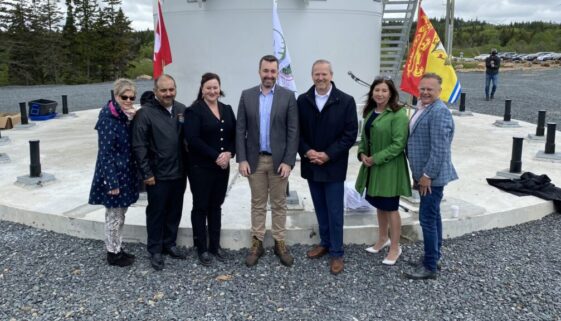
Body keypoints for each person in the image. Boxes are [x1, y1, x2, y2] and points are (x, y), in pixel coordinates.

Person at [236, 54, 299, 267]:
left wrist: (289, 161)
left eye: (273, 71)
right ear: (259, 71)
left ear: (277, 73)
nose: (269, 75)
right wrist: (242, 159)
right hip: (254, 161)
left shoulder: (288, 97)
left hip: (279, 162)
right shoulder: (246, 96)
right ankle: (258, 243)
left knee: (279, 203)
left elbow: (293, 131)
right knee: (258, 204)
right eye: (266, 71)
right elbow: (240, 129)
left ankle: (280, 242)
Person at [298, 59, 358, 275]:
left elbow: (350, 134)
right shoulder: (303, 100)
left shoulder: (346, 101)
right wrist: (307, 151)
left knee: (334, 211)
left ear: (331, 75)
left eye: (324, 74)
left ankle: (337, 252)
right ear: (312, 76)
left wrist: (328, 154)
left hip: (333, 166)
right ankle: (324, 243)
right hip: (312, 164)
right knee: (320, 207)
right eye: (316, 74)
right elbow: (297, 132)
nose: (320, 78)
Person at [404, 73, 458, 280]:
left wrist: (426, 175)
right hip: (423, 173)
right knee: (433, 216)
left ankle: (429, 267)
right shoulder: (423, 107)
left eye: (430, 89)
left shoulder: (439, 112)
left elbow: (440, 148)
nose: (425, 92)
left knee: (427, 219)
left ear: (439, 91)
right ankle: (433, 256)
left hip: (431, 176)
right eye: (423, 88)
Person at [132, 74, 188, 271]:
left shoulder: (181, 110)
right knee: (156, 213)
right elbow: (139, 146)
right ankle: (155, 249)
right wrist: (146, 173)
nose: (168, 93)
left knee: (175, 210)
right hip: (157, 175)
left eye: (171, 89)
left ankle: (169, 244)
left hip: (179, 173)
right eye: (163, 90)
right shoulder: (145, 114)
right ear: (156, 91)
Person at [355, 77, 411, 266]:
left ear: (391, 93)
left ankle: (395, 246)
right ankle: (382, 238)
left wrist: (376, 158)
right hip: (372, 167)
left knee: (391, 207)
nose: (380, 94)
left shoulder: (398, 114)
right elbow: (364, 137)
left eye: (384, 91)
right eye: (377, 90)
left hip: (388, 168)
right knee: (379, 204)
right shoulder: (370, 111)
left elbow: (398, 144)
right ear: (372, 92)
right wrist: (361, 153)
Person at [184, 73, 236, 266]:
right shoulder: (194, 111)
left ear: (219, 88)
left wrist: (229, 153)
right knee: (201, 206)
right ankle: (202, 248)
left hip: (222, 167)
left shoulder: (227, 109)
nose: (212, 91)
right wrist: (216, 156)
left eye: (215, 87)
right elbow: (193, 139)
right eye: (208, 88)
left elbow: (235, 135)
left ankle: (215, 245)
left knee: (216, 206)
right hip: (201, 168)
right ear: (202, 89)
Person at [89, 78, 139, 267]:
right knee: (113, 215)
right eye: (124, 96)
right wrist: (112, 183)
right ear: (116, 95)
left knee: (121, 213)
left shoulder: (124, 116)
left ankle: (118, 247)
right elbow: (106, 153)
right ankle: (112, 253)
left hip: (125, 172)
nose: (128, 100)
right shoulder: (107, 119)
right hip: (114, 175)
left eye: (131, 97)